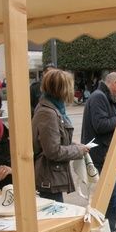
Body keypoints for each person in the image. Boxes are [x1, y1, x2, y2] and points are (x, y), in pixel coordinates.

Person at [81, 72, 116, 232]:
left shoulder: (101, 96)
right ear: (113, 83)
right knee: (112, 195)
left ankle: (103, 228)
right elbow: (100, 125)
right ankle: (108, 230)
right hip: (99, 155)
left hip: (100, 154)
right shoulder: (99, 97)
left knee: (105, 195)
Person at [32, 69, 89, 202]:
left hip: (51, 177)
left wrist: (76, 146)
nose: (72, 90)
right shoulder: (49, 113)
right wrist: (78, 150)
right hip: (48, 179)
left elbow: (54, 142)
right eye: (70, 86)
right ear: (62, 89)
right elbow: (53, 151)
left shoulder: (52, 108)